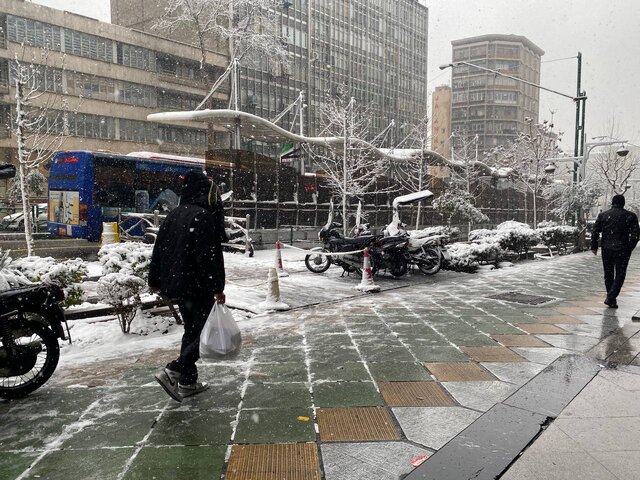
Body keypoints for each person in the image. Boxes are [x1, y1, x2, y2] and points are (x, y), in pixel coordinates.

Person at [148, 170, 228, 402]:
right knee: (203, 334)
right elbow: (208, 257)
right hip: (197, 285)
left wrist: (155, 280)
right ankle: (174, 369)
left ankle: (187, 382)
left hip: (178, 285)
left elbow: (158, 251)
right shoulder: (203, 216)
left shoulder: (174, 215)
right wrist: (217, 287)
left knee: (192, 330)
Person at [591, 194, 640, 308]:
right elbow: (635, 235)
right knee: (620, 274)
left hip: (607, 248)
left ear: (612, 203)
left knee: (608, 274)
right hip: (622, 249)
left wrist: (594, 246)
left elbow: (595, 231)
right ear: (623, 203)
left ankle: (611, 297)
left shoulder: (603, 215)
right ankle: (611, 297)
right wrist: (629, 247)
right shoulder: (630, 216)